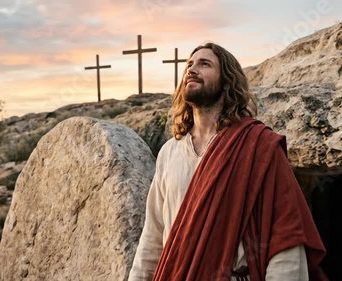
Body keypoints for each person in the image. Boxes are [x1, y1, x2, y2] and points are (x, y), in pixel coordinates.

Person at [128, 42, 327, 281]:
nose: (192, 69)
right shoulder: (169, 152)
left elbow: (284, 235)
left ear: (226, 80)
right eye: (189, 65)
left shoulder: (258, 146)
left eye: (204, 64)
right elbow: (152, 236)